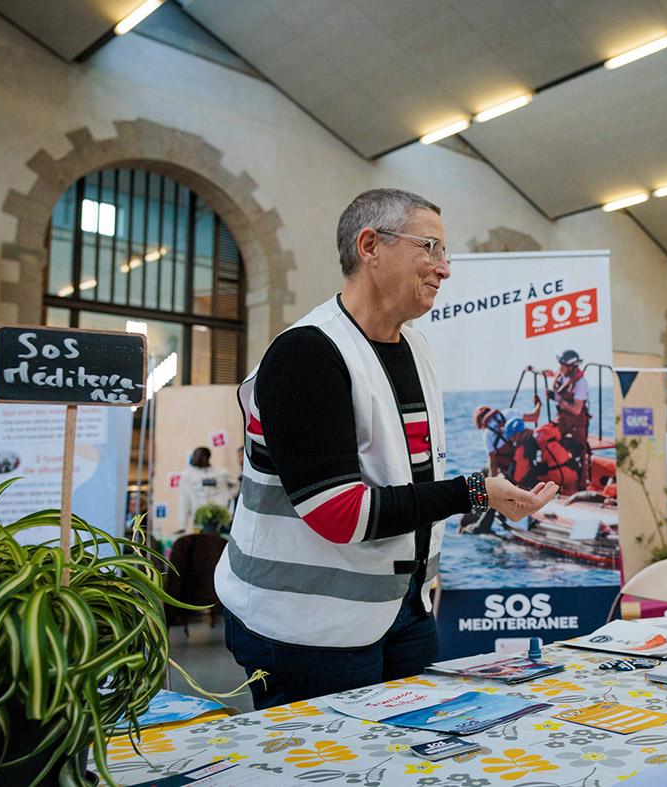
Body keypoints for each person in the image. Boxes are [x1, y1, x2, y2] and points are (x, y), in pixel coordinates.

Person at [214, 189, 558, 709]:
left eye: (444, 253)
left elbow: (405, 476)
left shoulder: (415, 347)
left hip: (403, 610)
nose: (444, 269)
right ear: (370, 246)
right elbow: (339, 513)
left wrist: (481, 499)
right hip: (306, 626)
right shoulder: (307, 354)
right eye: (430, 248)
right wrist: (474, 493)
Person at [548, 349, 590, 483]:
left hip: (575, 425)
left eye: (563, 365)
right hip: (563, 421)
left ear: (571, 366)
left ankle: (579, 483)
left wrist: (557, 399)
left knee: (577, 451)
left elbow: (577, 410)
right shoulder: (563, 375)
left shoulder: (580, 383)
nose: (560, 367)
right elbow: (554, 373)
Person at [178, 447, 235, 534]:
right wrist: (182, 525)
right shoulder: (188, 476)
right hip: (200, 521)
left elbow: (236, 486)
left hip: (220, 521)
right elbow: (183, 500)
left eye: (195, 456)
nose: (193, 459)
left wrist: (228, 496)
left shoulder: (221, 474)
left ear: (205, 457)